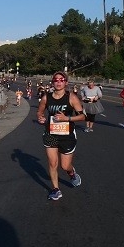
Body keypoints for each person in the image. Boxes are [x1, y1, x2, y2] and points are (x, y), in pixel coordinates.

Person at [36, 71, 85, 201]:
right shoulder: (46, 97)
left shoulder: (72, 97)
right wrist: (40, 118)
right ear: (52, 82)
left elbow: (82, 116)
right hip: (51, 133)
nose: (58, 82)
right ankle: (56, 189)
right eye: (56, 80)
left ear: (66, 82)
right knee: (52, 163)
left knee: (64, 166)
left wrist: (66, 118)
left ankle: (72, 173)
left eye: (61, 80)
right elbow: (39, 112)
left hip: (67, 135)